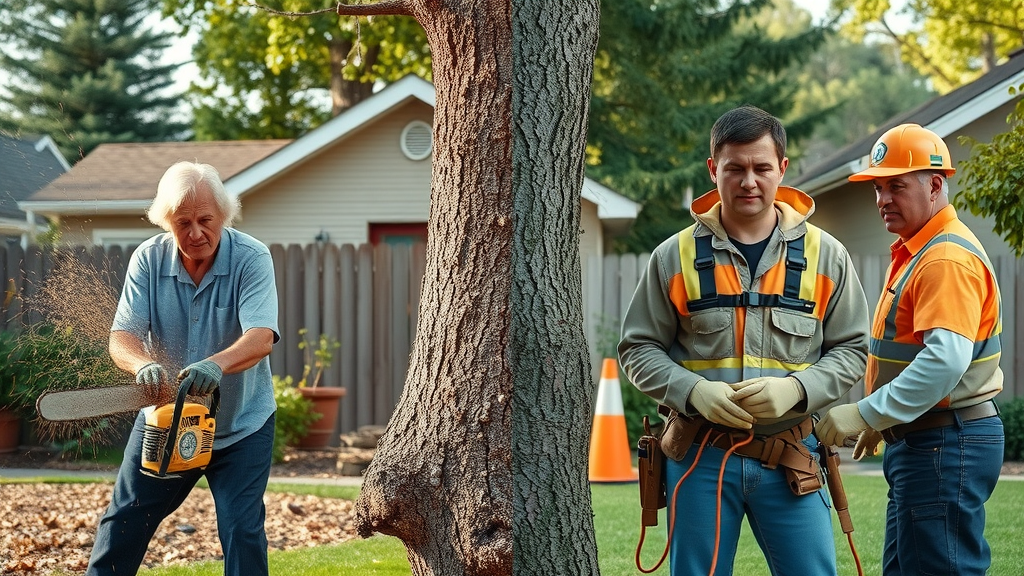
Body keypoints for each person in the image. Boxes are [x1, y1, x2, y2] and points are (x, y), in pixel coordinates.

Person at [618, 105, 869, 576]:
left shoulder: (827, 255)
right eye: (735, 168)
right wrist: (693, 391)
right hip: (699, 459)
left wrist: (798, 391)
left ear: (783, 170)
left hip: (791, 457)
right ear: (714, 170)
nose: (749, 181)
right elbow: (638, 348)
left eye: (761, 168)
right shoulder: (673, 256)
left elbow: (853, 349)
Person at [816, 123, 1004, 576]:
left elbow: (945, 361)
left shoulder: (943, 258)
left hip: (944, 441)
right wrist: (890, 418)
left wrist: (866, 413)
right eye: (878, 188)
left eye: (896, 186)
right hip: (931, 438)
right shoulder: (920, 251)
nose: (882, 199)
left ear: (935, 185)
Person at [87, 161, 280, 576]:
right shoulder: (148, 260)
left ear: (223, 215)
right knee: (124, 521)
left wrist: (215, 364)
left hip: (240, 426)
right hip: (166, 421)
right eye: (183, 222)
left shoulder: (251, 258)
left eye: (205, 220)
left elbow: (261, 337)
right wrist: (143, 364)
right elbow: (121, 338)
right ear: (166, 222)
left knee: (242, 531)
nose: (195, 233)